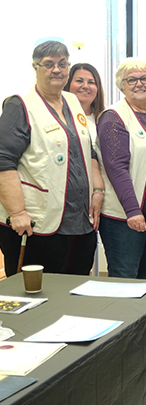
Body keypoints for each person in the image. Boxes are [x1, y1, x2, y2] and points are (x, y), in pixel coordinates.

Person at [0, 40, 104, 276]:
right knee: (33, 296)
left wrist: (98, 191)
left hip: (79, 223)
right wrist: (17, 213)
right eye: (48, 64)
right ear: (35, 68)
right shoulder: (20, 106)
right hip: (35, 225)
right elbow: (3, 160)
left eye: (62, 63)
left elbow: (89, 151)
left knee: (74, 291)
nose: (56, 69)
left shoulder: (73, 101)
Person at [96, 59, 146, 279]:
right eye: (132, 80)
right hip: (125, 215)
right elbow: (116, 168)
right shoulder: (113, 117)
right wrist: (132, 211)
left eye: (144, 78)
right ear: (122, 85)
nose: (139, 84)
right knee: (125, 277)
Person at [63, 63, 105, 143]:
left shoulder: (104, 119)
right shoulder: (59, 117)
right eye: (79, 81)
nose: (85, 86)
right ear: (68, 84)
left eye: (91, 82)